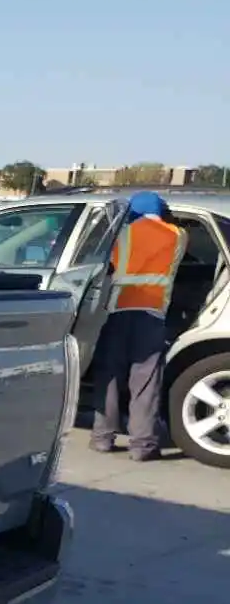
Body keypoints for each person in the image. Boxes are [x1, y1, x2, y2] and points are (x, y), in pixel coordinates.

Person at [89, 191, 186, 461]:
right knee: (145, 383)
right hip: (152, 315)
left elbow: (108, 266)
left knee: (108, 377)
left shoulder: (121, 234)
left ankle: (102, 439)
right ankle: (142, 446)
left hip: (118, 312)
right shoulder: (177, 235)